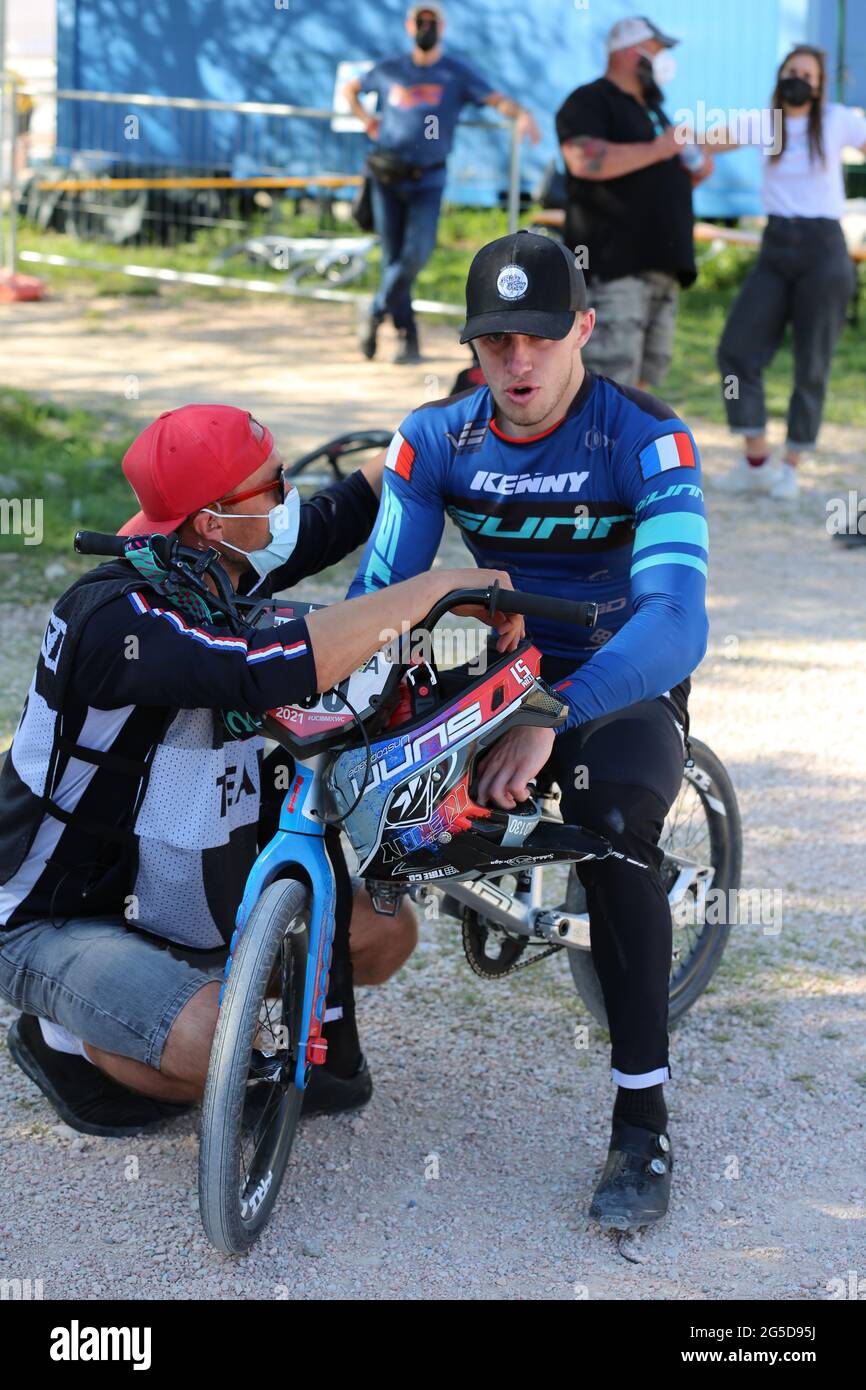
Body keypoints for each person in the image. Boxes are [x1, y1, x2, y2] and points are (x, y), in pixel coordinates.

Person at [0, 403, 522, 1138]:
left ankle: (186, 990)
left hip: (156, 889)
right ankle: (65, 1039)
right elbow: (257, 673)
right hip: (47, 917)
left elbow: (339, 515)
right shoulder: (118, 620)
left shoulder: (206, 560)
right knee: (221, 1046)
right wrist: (439, 590)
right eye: (276, 485)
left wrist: (441, 426)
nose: (290, 498)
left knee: (382, 933)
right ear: (214, 521)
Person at [347, 230, 710, 1232]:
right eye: (494, 339)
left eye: (538, 339)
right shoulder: (433, 437)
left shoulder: (645, 436)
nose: (515, 363)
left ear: (582, 330)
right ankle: (307, 1041)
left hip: (616, 672)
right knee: (338, 775)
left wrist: (554, 712)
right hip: (503, 667)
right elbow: (377, 599)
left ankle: (641, 1121)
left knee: (610, 829)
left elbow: (677, 621)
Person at [342, 3, 540, 365]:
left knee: (415, 254)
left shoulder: (455, 72)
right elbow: (350, 90)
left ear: (443, 27)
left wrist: (522, 114)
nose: (426, 27)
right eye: (421, 21)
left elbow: (496, 100)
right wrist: (366, 119)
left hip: (429, 178)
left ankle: (373, 311)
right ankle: (409, 337)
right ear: (409, 26)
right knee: (392, 258)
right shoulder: (389, 69)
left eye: (432, 22)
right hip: (386, 175)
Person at [712, 46, 866, 502]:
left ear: (819, 87)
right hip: (776, 246)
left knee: (811, 361)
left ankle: (792, 465)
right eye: (792, 71)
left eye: (808, 75)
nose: (799, 79)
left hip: (824, 251)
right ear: (780, 76)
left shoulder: (837, 119)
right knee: (736, 350)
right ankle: (756, 458)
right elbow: (709, 140)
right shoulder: (764, 122)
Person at [555, 15, 712, 391]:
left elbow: (653, 173)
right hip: (615, 269)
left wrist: (691, 172)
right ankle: (594, 451)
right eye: (657, 51)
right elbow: (582, 159)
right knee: (609, 384)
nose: (663, 61)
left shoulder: (653, 109)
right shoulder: (590, 100)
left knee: (642, 388)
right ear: (630, 52)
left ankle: (629, 451)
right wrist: (658, 150)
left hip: (662, 266)